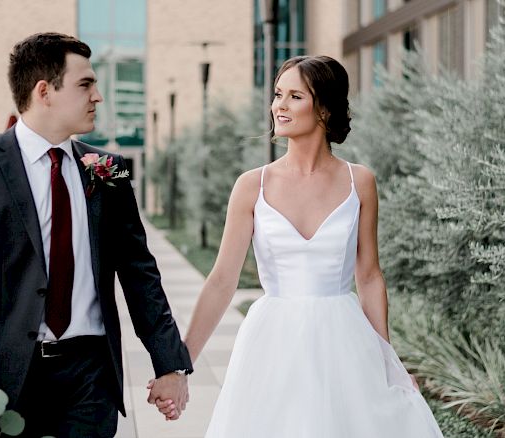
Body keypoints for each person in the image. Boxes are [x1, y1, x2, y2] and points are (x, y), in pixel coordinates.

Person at [150, 55, 444, 436]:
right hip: (272, 344)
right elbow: (222, 280)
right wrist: (180, 365)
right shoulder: (251, 186)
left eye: (294, 96)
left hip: (344, 342)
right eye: (277, 94)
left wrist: (388, 362)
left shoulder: (361, 182)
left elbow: (369, 277)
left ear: (324, 108)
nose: (279, 106)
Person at [0, 32, 192, 438]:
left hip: (90, 376)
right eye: (86, 84)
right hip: (1, 379)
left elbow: (139, 273)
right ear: (44, 91)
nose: (98, 96)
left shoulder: (109, 168)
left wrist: (170, 363)